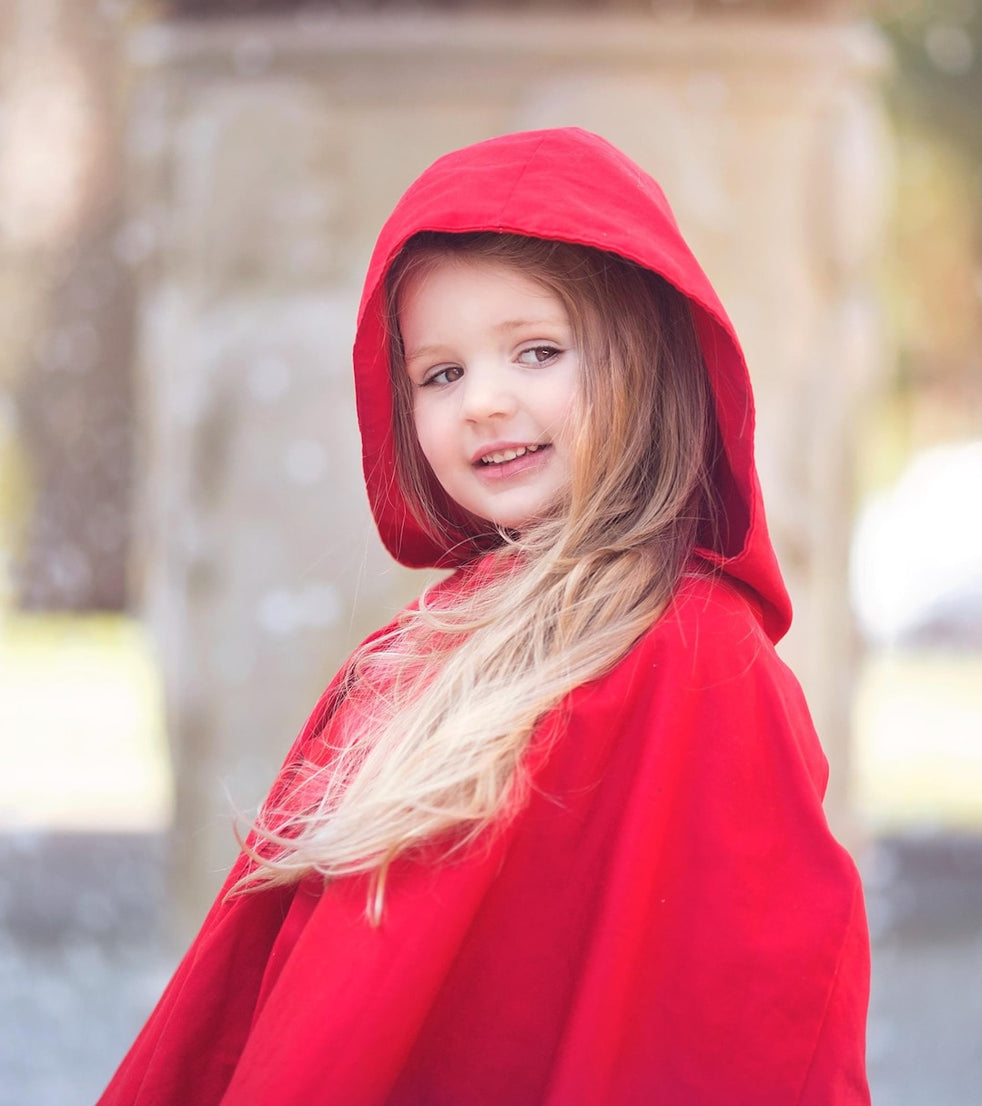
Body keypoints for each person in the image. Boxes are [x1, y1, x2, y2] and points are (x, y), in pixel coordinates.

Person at [98, 127, 871, 1105]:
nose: (482, 403)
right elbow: (283, 987)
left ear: (648, 358)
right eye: (441, 373)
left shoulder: (701, 658)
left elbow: (755, 1000)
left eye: (536, 351)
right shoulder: (415, 652)